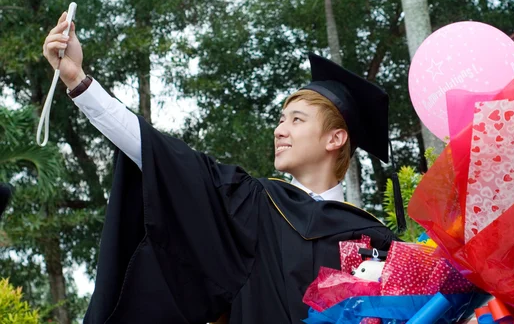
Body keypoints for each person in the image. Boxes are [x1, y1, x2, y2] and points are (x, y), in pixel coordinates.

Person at [42, 16, 397, 323]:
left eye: (297, 120)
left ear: (335, 138)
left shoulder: (375, 239)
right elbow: (160, 155)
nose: (279, 130)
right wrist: (78, 81)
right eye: (280, 119)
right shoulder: (254, 206)